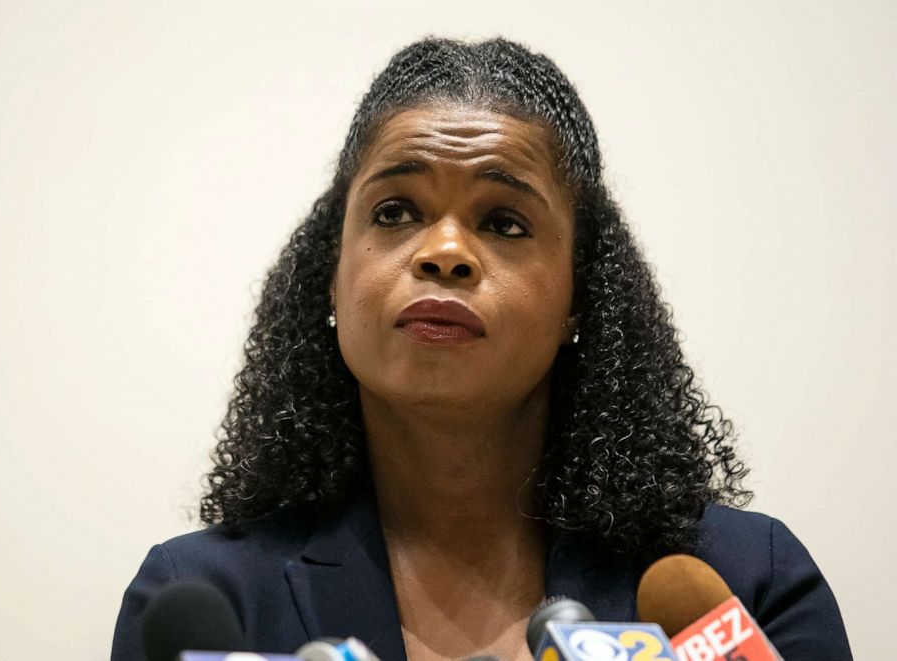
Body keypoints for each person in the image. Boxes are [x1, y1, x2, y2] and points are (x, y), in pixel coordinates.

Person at [111, 37, 851, 661]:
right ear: (330, 281)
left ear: (580, 298)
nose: (444, 252)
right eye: (395, 211)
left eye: (504, 222)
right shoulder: (204, 599)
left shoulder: (749, 582)